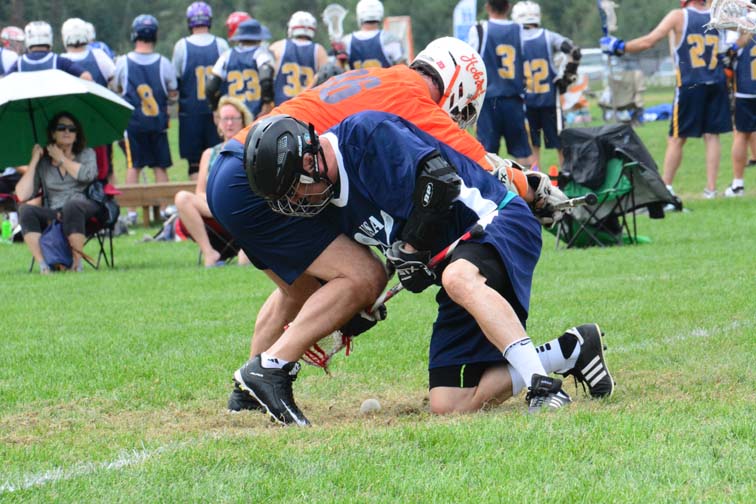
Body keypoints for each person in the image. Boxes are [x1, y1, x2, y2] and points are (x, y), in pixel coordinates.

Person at [208, 40, 590, 424]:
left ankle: (254, 383)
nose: (455, 120)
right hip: (275, 168)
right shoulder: (404, 104)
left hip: (239, 167)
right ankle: (269, 369)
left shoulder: (375, 90)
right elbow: (477, 163)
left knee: (310, 287)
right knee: (361, 280)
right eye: (461, 112)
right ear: (456, 88)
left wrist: (408, 253)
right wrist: (533, 189)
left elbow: (447, 179)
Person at [600, 0, 731, 200]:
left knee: (676, 138)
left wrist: (619, 47)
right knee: (712, 136)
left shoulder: (678, 16)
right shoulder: (715, 15)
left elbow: (649, 41)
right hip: (715, 81)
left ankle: (666, 189)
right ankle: (711, 190)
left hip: (690, 83)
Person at [113, 14, 178, 224]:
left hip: (133, 124)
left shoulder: (123, 62)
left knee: (134, 166)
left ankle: (132, 212)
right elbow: (173, 91)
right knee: (160, 166)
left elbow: (118, 88)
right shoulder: (163, 63)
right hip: (157, 123)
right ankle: (166, 210)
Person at [15, 112, 100, 273]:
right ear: (53, 134)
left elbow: (87, 175)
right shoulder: (44, 163)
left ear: (77, 134)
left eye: (72, 129)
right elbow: (22, 194)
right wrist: (34, 160)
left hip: (84, 207)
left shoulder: (87, 154)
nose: (67, 131)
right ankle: (44, 265)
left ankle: (76, 264)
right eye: (61, 128)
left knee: (72, 206)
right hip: (55, 212)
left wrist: (61, 158)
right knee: (25, 210)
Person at [174, 95, 252, 266]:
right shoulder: (209, 154)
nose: (229, 123)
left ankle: (247, 249)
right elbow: (200, 192)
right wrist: (216, 205)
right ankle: (210, 253)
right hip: (213, 209)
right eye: (225, 119)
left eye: (234, 119)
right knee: (182, 198)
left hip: (241, 209)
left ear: (242, 121)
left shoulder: (251, 151)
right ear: (218, 122)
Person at [512, 1, 581, 168]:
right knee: (560, 145)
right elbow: (574, 51)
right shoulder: (548, 36)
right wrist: (566, 78)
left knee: (532, 147)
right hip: (550, 101)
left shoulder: (513, 40)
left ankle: (536, 179)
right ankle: (566, 176)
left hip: (525, 103)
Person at [468, 0, 532, 167]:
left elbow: (471, 62)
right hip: (513, 98)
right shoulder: (520, 30)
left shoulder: (480, 30)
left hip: (488, 100)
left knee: (486, 153)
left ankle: (489, 183)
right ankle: (529, 182)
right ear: (508, 7)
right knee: (523, 152)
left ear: (487, 7)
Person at [172, 2, 229, 180]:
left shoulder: (181, 46)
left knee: (195, 165)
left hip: (191, 113)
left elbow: (176, 80)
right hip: (217, 111)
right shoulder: (221, 44)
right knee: (220, 159)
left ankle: (198, 195)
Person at [61, 18, 116, 184]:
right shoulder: (99, 56)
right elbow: (115, 83)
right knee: (106, 169)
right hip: (97, 123)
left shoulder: (61, 60)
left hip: (69, 126)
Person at [206, 19, 274, 117]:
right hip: (256, 113)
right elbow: (266, 81)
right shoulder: (261, 54)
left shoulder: (227, 55)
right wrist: (267, 102)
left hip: (234, 114)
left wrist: (215, 107)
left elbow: (210, 87)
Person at [269, 11, 329, 105]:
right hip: (307, 106)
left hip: (281, 106)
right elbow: (327, 80)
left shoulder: (277, 47)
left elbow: (266, 78)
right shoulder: (319, 50)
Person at [6, 21, 92, 80]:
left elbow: (3, 82)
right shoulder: (59, 61)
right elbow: (86, 77)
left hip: (27, 102)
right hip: (56, 102)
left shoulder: (19, 63)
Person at [724, 31, 754, 197]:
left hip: (746, 91)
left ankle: (738, 185)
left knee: (741, 135)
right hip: (745, 90)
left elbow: (727, 56)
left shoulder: (739, 26)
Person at [342, 0, 405, 69]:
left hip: (359, 76)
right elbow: (403, 69)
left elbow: (338, 69)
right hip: (383, 76)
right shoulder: (389, 39)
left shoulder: (347, 41)